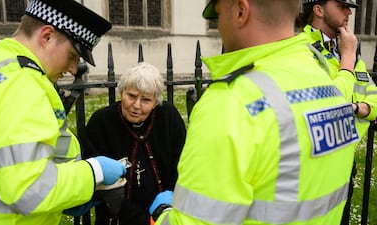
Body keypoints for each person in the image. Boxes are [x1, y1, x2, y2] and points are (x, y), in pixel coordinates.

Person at [148, 0, 361, 224]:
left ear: (241, 10)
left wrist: (163, 213)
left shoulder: (232, 103)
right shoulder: (326, 83)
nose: (219, 26)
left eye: (219, 15)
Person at [0, 0, 127, 224]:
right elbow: (30, 190)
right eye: (73, 56)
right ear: (47, 36)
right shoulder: (22, 86)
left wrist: (69, 193)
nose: (73, 69)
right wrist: (93, 172)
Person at [296, 1, 377, 223]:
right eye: (342, 5)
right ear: (318, 10)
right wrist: (348, 58)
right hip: (312, 163)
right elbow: (330, 103)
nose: (349, 11)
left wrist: (359, 108)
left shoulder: (345, 48)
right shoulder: (299, 48)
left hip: (343, 162)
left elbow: (373, 97)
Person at [84, 62, 186, 225]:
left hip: (164, 217)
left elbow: (182, 165)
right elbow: (100, 184)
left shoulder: (168, 117)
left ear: (155, 103)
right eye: (131, 96)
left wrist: (165, 209)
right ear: (121, 92)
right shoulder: (101, 123)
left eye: (146, 100)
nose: (136, 106)